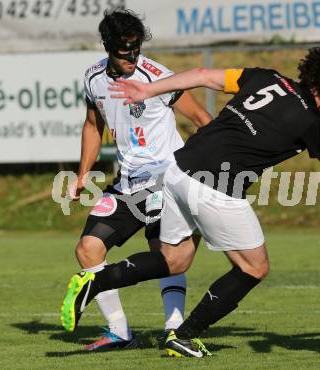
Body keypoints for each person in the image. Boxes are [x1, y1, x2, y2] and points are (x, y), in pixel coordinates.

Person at [61, 45, 320, 357]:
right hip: (216, 187)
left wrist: (147, 89)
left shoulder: (265, 77)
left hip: (176, 169)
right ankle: (185, 335)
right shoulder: (313, 122)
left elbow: (201, 75)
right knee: (254, 268)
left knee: (175, 259)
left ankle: (96, 280)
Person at [64, 9, 211, 351]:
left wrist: (203, 170)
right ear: (107, 46)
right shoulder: (93, 78)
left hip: (168, 181)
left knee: (165, 253)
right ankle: (119, 333)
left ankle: (175, 330)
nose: (131, 56)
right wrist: (83, 174)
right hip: (127, 184)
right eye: (123, 50)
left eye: (135, 48)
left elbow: (204, 119)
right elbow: (92, 125)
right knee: (88, 250)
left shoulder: (157, 76)